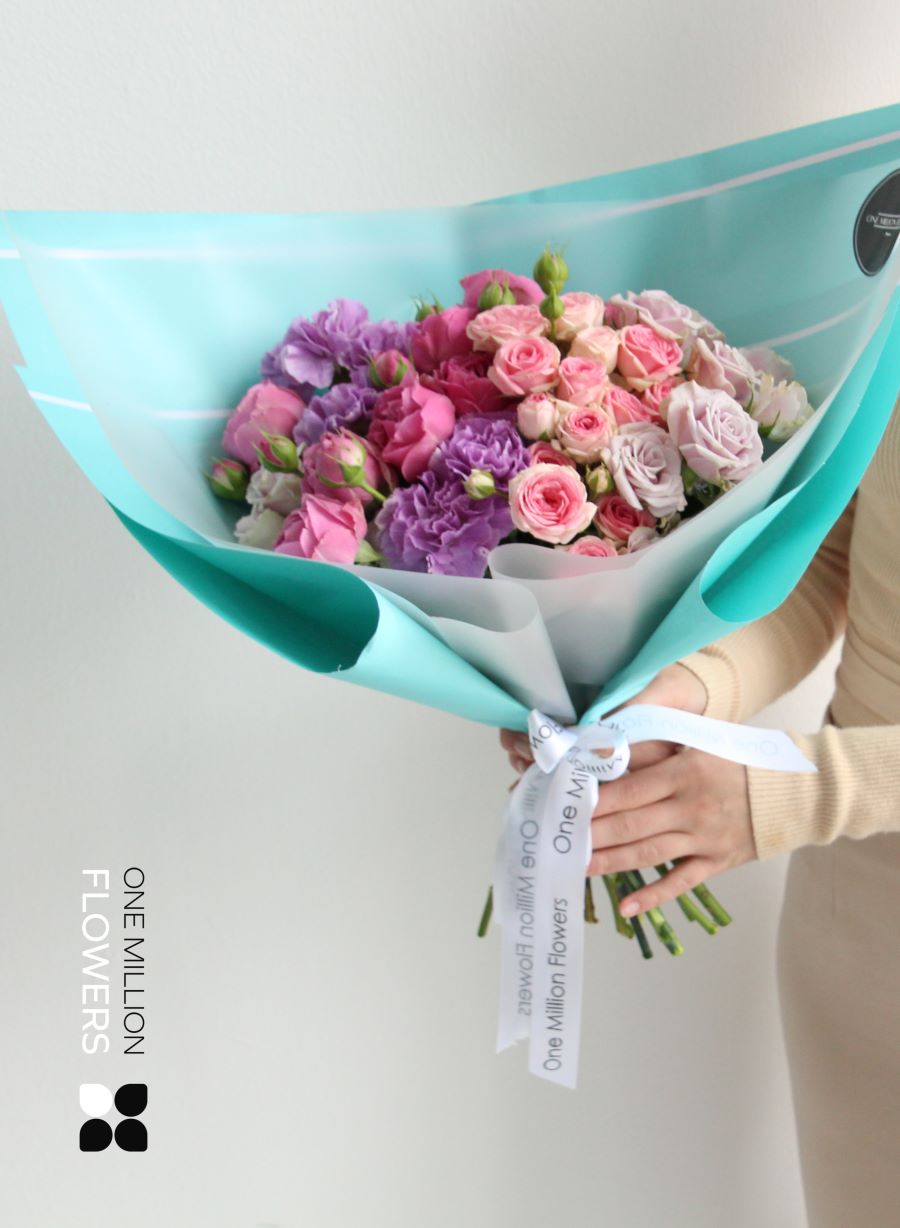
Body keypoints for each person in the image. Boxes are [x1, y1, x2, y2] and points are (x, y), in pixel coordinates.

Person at [500, 390, 900, 1228]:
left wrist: (792, 793)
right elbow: (839, 558)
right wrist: (679, 694)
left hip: (824, 815)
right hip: (859, 931)